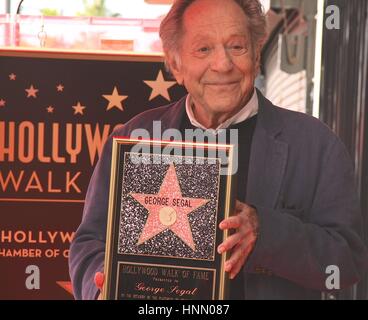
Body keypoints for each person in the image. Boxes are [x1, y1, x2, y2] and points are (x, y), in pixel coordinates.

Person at [69, 0, 368, 300]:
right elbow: (89, 243)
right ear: (176, 65)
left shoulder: (315, 144)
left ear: (257, 54)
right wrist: (100, 288)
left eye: (237, 46)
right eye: (203, 49)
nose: (223, 65)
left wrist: (266, 232)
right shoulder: (136, 138)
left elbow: (346, 261)